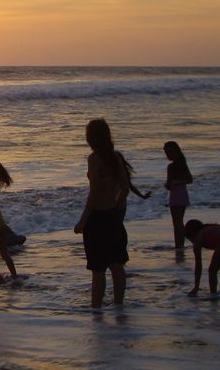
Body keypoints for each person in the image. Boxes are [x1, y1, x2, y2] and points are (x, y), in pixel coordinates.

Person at [75, 119, 132, 308]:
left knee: (98, 269)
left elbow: (95, 193)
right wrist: (116, 207)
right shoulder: (116, 157)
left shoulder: (94, 159)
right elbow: (124, 189)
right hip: (113, 216)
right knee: (117, 265)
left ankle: (96, 309)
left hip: (97, 219)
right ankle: (118, 306)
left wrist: (82, 221)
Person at [185, 220, 220, 297]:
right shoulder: (210, 228)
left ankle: (213, 295)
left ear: (191, 233)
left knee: (212, 270)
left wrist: (196, 287)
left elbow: (198, 266)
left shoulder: (199, 237)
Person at [164, 141, 193, 249]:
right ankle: (180, 244)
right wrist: (176, 183)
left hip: (176, 195)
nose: (166, 155)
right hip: (182, 194)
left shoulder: (171, 166)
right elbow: (189, 180)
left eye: (167, 152)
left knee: (177, 223)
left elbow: (169, 183)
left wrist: (173, 183)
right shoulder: (182, 164)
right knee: (179, 222)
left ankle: (179, 245)